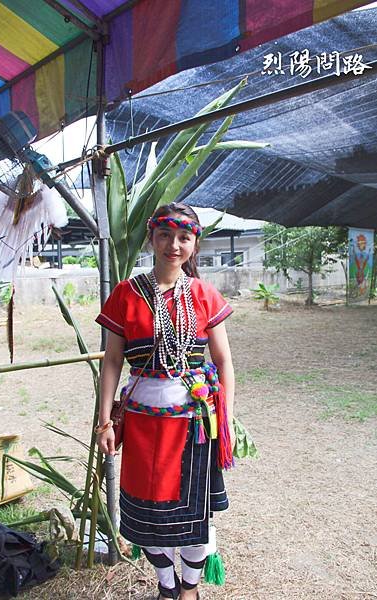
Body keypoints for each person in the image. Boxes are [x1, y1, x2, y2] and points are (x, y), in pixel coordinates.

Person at [96, 202, 235, 600]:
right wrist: (106, 421)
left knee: (194, 515)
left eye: (183, 238)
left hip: (194, 423)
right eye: (165, 236)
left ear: (194, 243)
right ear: (151, 238)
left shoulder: (205, 295)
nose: (173, 245)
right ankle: (167, 583)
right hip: (141, 423)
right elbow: (112, 362)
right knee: (145, 515)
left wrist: (227, 418)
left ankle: (189, 589)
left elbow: (223, 362)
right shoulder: (125, 294)